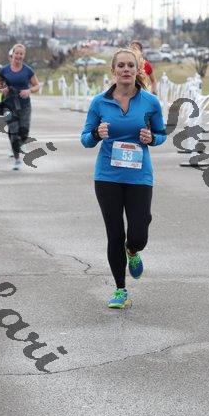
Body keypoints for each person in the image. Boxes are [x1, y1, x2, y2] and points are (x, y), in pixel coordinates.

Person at [81, 48, 167, 309]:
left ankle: (133, 250)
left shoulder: (150, 102)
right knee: (115, 233)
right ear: (114, 71)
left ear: (137, 70)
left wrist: (151, 138)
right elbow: (85, 139)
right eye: (121, 65)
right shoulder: (99, 102)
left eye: (130, 65)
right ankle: (120, 289)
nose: (126, 69)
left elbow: (162, 134)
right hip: (107, 176)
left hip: (139, 176)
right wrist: (96, 134)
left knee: (138, 233)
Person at [0, 43, 40, 170]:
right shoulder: (4, 70)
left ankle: (17, 145)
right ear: (13, 54)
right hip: (9, 105)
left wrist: (29, 90)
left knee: (24, 133)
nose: (19, 56)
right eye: (17, 53)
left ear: (24, 55)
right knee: (13, 130)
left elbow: (37, 85)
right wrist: (3, 88)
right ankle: (17, 159)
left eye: (21, 54)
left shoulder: (28, 70)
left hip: (24, 106)